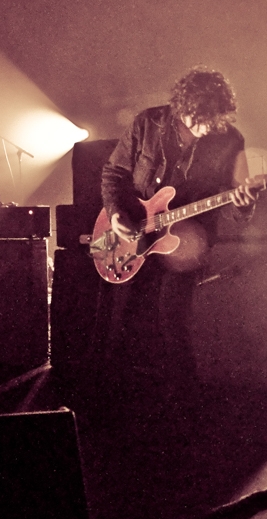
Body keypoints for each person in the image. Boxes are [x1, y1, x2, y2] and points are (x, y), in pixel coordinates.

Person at [94, 66, 258, 389]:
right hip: (134, 233)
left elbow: (235, 212)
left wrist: (243, 204)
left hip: (187, 242)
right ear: (183, 106)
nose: (206, 129)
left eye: (214, 121)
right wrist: (115, 214)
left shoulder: (230, 141)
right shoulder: (147, 123)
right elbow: (113, 174)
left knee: (173, 321)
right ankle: (112, 395)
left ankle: (184, 402)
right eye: (200, 118)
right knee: (119, 321)